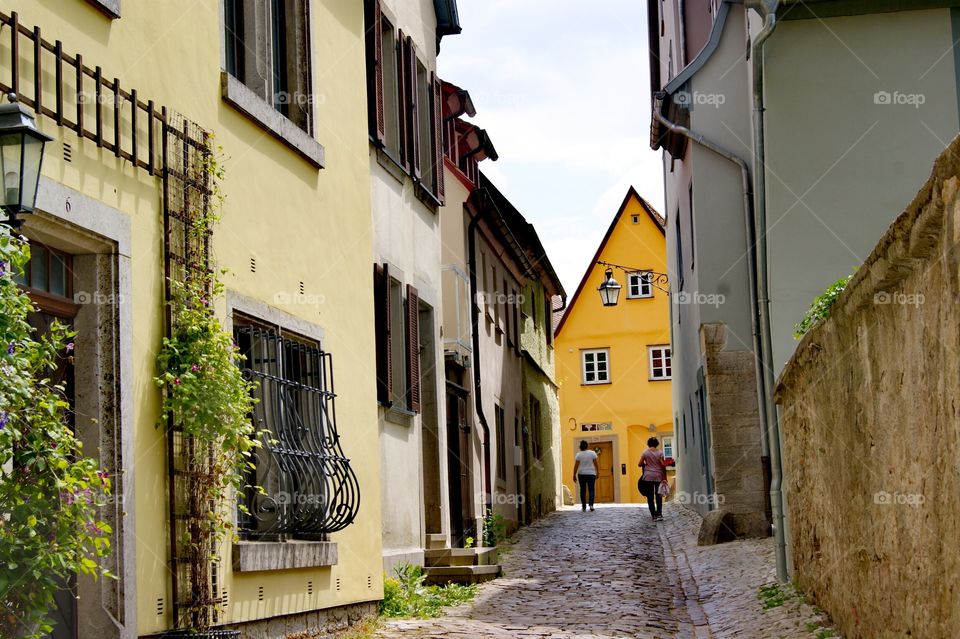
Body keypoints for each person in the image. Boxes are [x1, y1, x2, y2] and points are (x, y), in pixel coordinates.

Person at [638, 436, 668, 521]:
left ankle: (653, 515)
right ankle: (659, 513)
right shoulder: (660, 453)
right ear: (657, 444)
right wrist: (664, 477)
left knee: (650, 496)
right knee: (658, 495)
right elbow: (663, 465)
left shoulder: (645, 452)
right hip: (658, 475)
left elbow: (639, 464)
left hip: (648, 476)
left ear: (648, 444)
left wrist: (646, 463)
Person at [572, 440, 598, 512]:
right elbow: (596, 464)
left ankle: (584, 506)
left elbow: (576, 466)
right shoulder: (592, 453)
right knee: (591, 489)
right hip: (591, 473)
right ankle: (591, 505)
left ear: (580, 446)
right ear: (587, 446)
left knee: (582, 490)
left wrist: (574, 475)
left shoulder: (578, 455)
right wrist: (597, 472)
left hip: (582, 474)